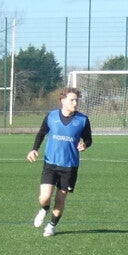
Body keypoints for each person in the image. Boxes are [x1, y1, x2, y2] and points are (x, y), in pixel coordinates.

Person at [25, 86, 92, 236]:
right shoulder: (51, 116)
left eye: (77, 100)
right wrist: (34, 149)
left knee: (60, 199)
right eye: (72, 100)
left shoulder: (83, 120)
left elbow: (88, 139)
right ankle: (44, 209)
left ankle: (52, 226)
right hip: (51, 163)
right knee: (44, 197)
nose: (75, 103)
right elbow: (41, 133)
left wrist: (85, 145)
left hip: (70, 166)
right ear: (62, 100)